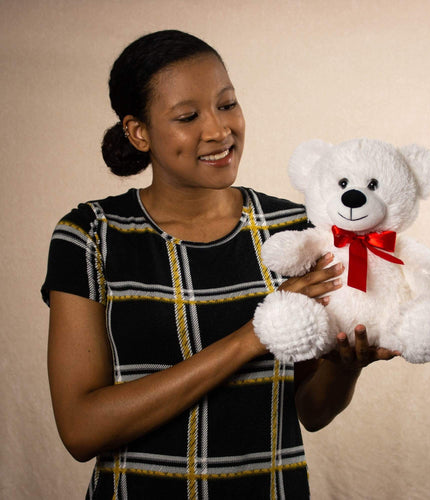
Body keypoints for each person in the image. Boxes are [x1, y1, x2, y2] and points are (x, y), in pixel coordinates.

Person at [42, 30, 399, 499]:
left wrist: (345, 365)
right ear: (139, 131)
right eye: (188, 116)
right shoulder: (91, 234)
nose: (218, 130)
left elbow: (311, 411)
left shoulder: (295, 230)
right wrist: (253, 336)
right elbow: (81, 430)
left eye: (227, 104)